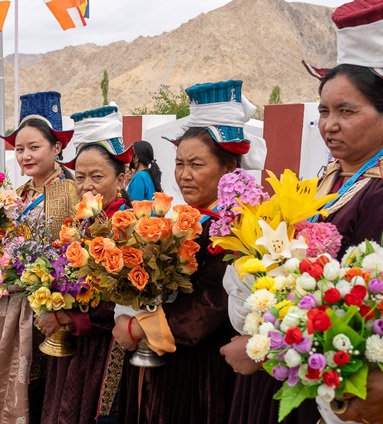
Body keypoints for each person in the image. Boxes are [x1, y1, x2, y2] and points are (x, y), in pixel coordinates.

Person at [222, 1, 383, 421]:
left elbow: (368, 311)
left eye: (347, 111)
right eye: (325, 110)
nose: (329, 124)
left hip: (331, 381)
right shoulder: (330, 175)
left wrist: (267, 353)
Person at [108, 80, 265, 424]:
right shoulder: (181, 220)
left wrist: (138, 329)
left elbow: (212, 303)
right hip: (158, 362)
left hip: (202, 369)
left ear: (228, 169)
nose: (184, 175)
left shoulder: (238, 229)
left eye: (197, 165)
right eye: (179, 164)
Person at [0, 91, 78, 424]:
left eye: (34, 147)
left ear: (57, 148)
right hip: (5, 309)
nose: (24, 156)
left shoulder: (66, 193)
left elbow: (54, 259)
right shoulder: (21, 192)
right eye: (19, 149)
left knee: (32, 391)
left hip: (35, 312)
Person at [41, 104, 133, 424]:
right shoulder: (82, 223)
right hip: (75, 347)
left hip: (106, 351)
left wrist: (67, 316)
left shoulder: (129, 227)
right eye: (80, 177)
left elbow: (123, 301)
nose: (86, 186)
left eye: (97, 176)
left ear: (122, 178)